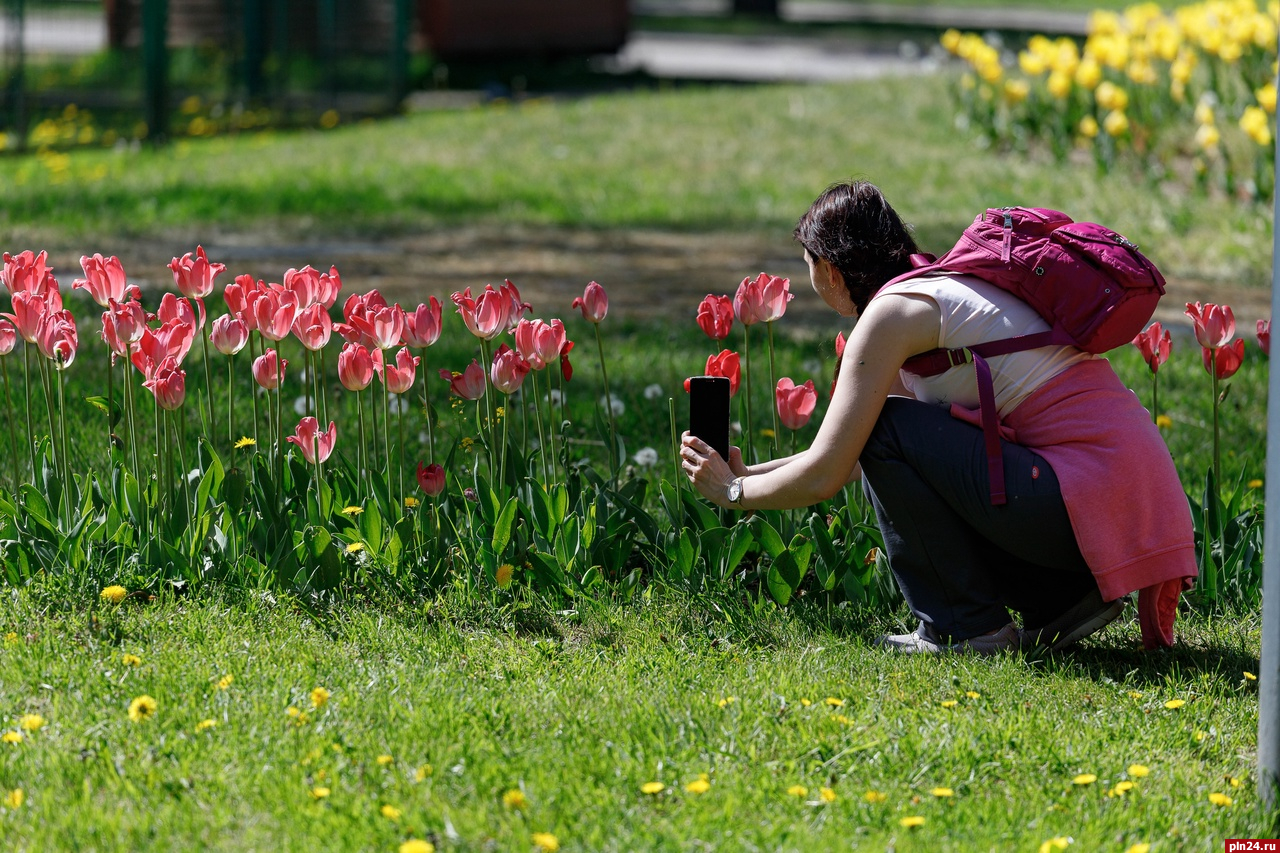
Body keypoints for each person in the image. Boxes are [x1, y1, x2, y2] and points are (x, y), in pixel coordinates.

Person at [680, 180, 1197, 654]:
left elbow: (828, 472)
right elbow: (848, 459)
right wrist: (747, 475)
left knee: (884, 427)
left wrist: (732, 494)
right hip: (1116, 497)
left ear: (830, 271)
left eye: (810, 265)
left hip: (1088, 496)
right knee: (885, 432)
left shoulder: (892, 315)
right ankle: (1062, 600)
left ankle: (964, 627)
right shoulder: (935, 292)